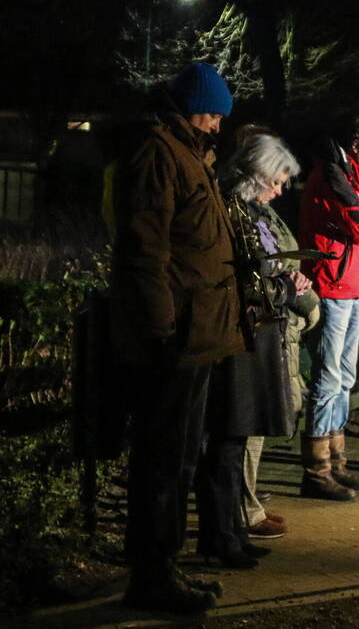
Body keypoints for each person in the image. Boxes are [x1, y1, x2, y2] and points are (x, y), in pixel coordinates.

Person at [110, 62, 241, 612]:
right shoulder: (160, 155)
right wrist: (161, 328)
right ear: (191, 109)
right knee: (163, 459)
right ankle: (151, 575)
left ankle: (165, 567)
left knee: (181, 457)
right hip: (177, 337)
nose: (216, 125)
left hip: (197, 332)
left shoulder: (187, 153)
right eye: (212, 113)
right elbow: (147, 252)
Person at [191, 133, 313, 568]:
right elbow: (247, 274)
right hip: (234, 334)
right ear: (256, 176)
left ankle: (229, 532)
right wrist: (282, 284)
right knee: (226, 440)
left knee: (234, 439)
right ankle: (221, 536)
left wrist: (283, 282)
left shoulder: (245, 209)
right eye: (276, 182)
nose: (280, 192)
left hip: (251, 332)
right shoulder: (230, 210)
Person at [299, 116, 359, 500]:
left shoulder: (351, 180)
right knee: (327, 381)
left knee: (341, 379)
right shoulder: (333, 178)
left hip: (350, 289)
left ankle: (335, 465)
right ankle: (316, 472)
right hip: (333, 287)